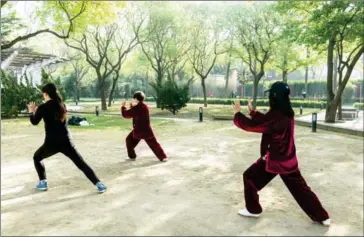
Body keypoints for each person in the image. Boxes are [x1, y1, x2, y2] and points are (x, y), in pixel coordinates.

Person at [232, 81, 330, 226]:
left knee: (249, 177)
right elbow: (267, 121)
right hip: (289, 159)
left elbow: (253, 126)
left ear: (274, 96)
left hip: (274, 160)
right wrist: (252, 112)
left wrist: (237, 114)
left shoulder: (277, 115)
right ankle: (322, 216)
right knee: (301, 189)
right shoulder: (286, 112)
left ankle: (253, 210)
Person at [28, 83, 107, 193]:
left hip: (52, 142)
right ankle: (99, 184)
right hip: (66, 140)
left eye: (43, 94)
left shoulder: (43, 107)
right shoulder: (62, 105)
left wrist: (31, 111)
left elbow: (34, 122)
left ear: (45, 94)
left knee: (37, 157)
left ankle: (43, 182)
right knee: (81, 164)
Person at [121, 91, 168, 162]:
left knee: (129, 140)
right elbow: (136, 112)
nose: (133, 100)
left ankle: (132, 156)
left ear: (136, 99)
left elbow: (126, 114)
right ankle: (163, 157)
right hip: (146, 130)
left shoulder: (137, 108)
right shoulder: (144, 106)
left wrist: (123, 106)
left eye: (134, 98)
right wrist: (132, 106)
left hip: (139, 130)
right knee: (154, 144)